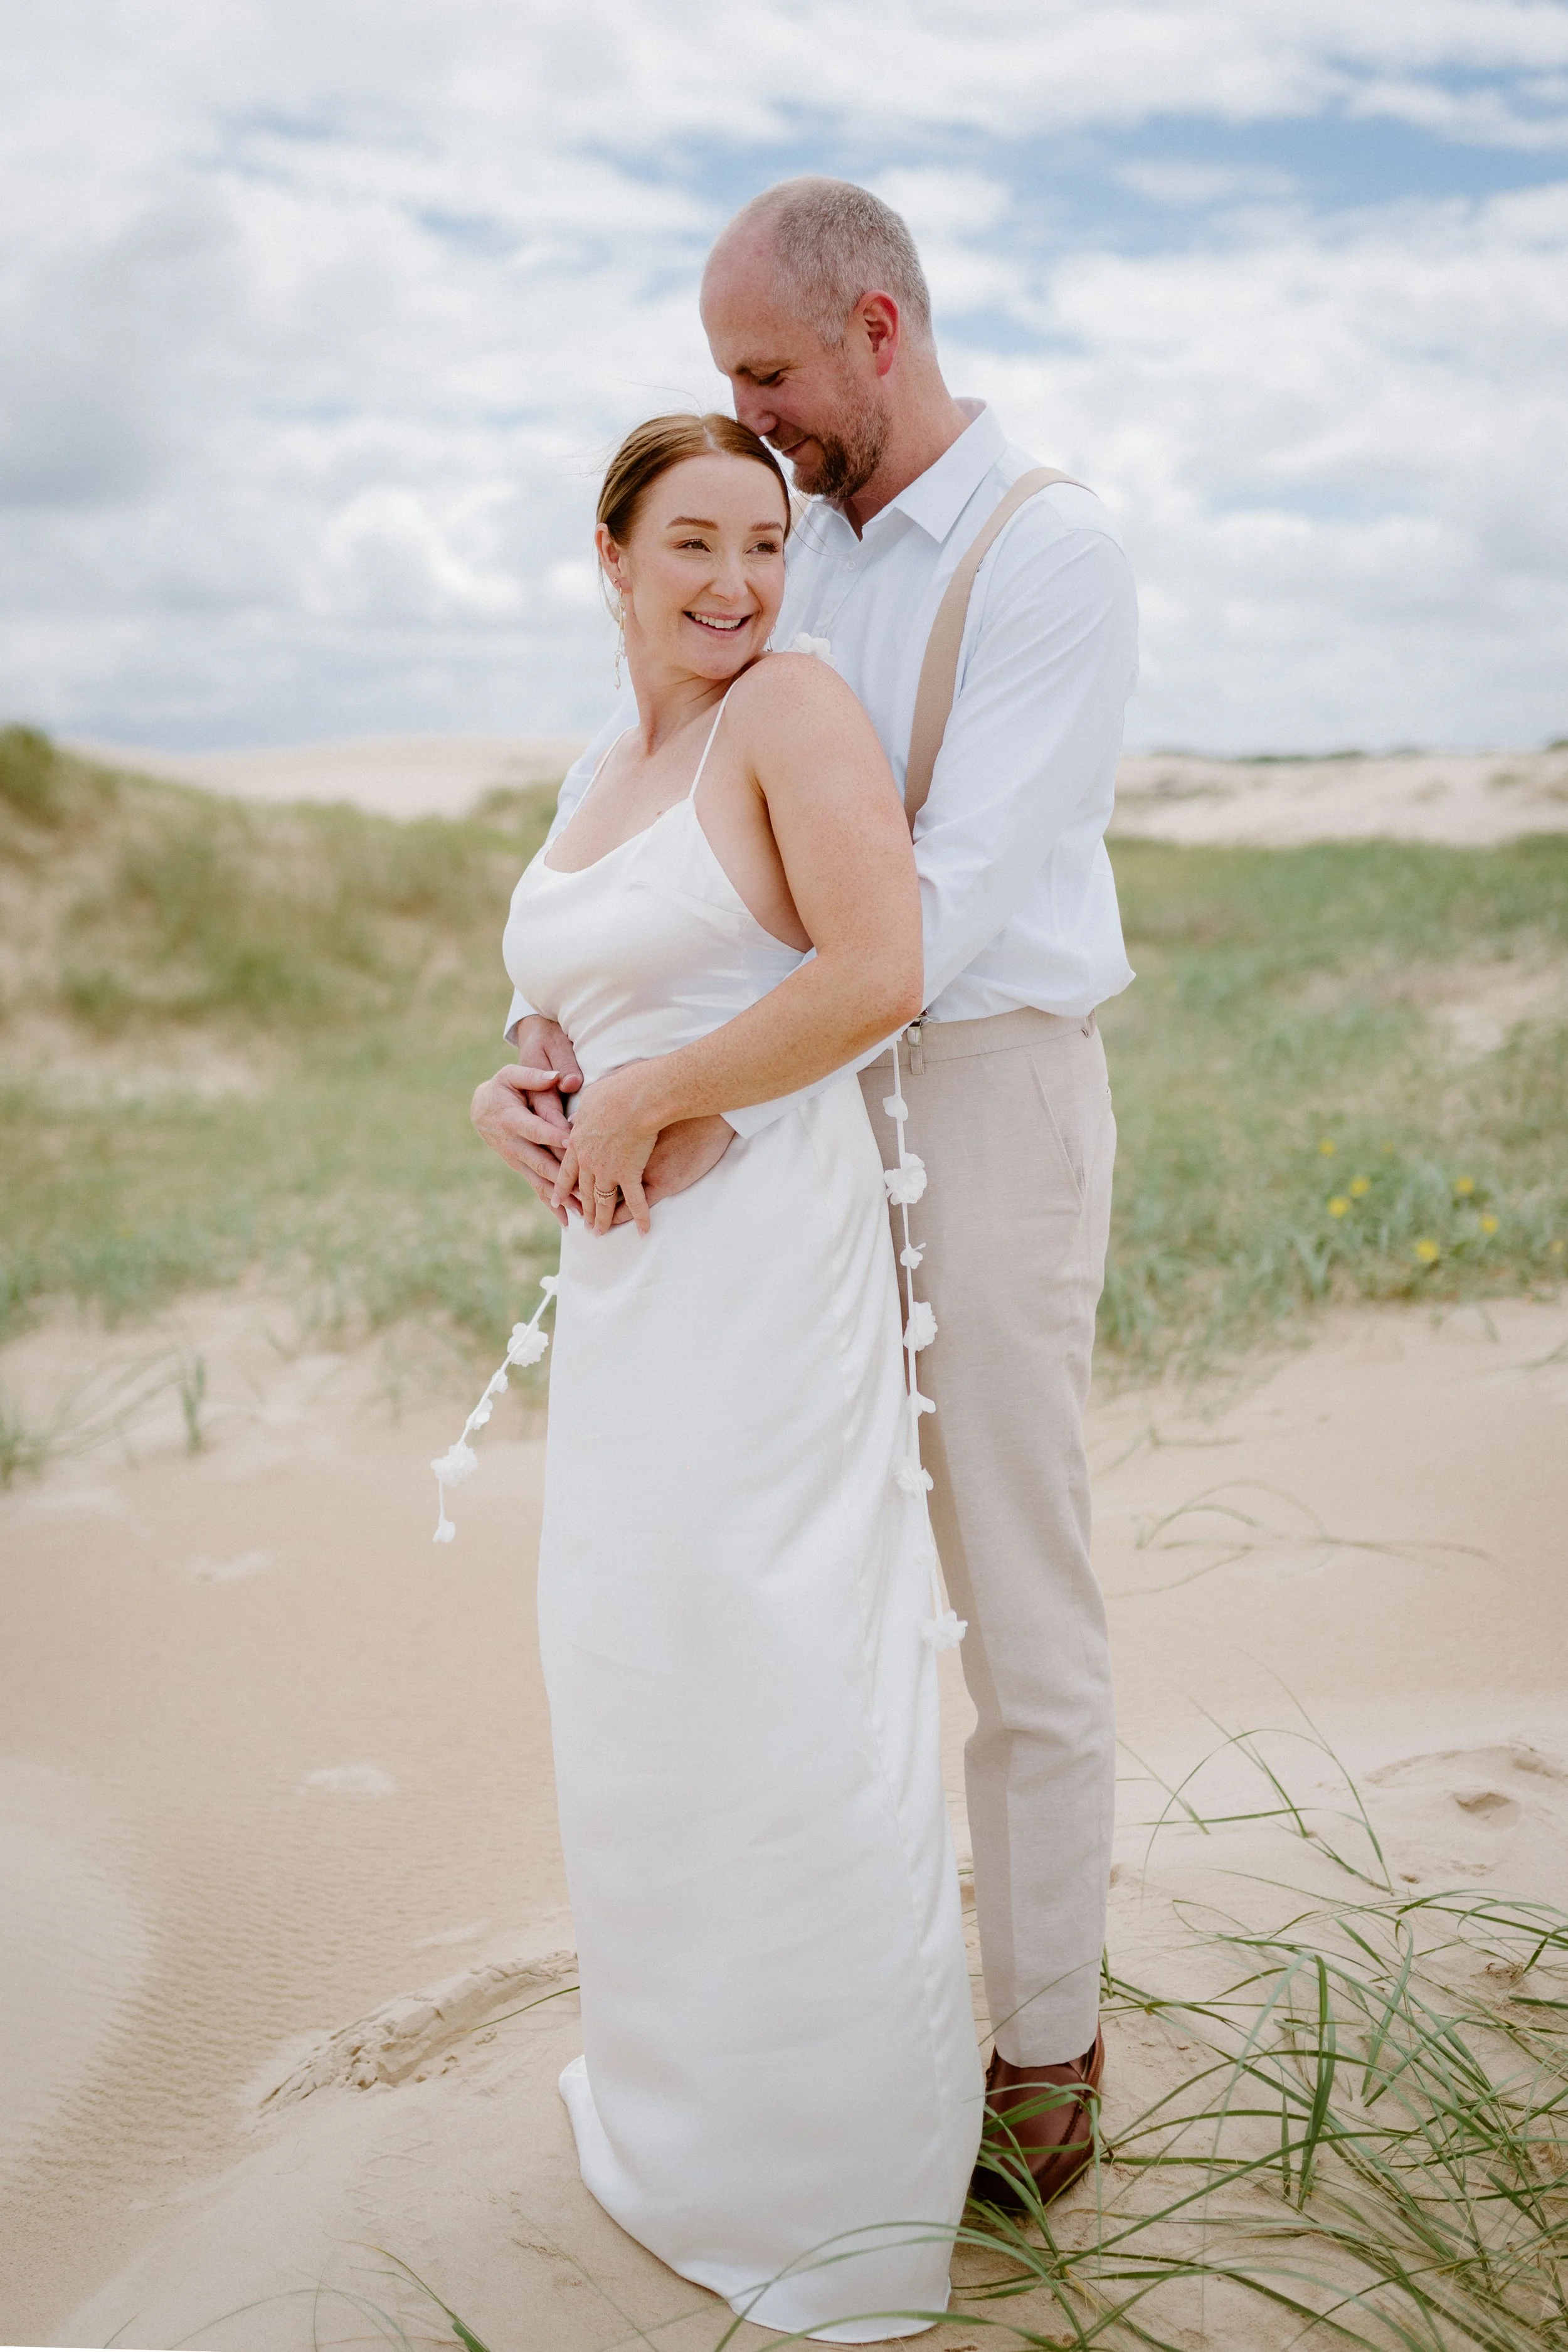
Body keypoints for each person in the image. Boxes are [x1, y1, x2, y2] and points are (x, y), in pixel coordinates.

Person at [478, 179, 1138, 2209]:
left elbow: (914, 928)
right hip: (767, 1141)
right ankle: (828, 2026)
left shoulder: (1046, 556)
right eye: (718, 389)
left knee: (1011, 1592)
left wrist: (679, 1086)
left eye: (761, 371)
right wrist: (545, 1052)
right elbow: (638, 815)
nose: (742, 417)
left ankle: (1042, 2050)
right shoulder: (767, 550)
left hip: (983, 1099)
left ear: (872, 329)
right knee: (784, 1589)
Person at [474, 409, 982, 2341]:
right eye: (690, 545)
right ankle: (685, 2124)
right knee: (640, 1660)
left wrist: (667, 1090)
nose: (734, 584)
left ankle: (829, 2181)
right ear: (607, 555)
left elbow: (879, 964)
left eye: (762, 544)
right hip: (627, 1285)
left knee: (777, 1662)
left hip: (765, 1251)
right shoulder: (603, 759)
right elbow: (560, 1005)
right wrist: (504, 1089)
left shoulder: (794, 709)